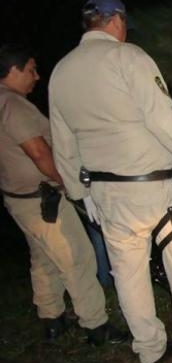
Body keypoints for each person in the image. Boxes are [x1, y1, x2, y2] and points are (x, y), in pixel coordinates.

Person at [48, 0, 172, 363]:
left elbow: (63, 141)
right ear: (116, 20)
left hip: (106, 195)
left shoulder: (60, 72)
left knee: (129, 274)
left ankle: (150, 349)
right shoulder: (129, 58)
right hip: (155, 191)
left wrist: (80, 193)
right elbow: (163, 118)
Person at [0, 43, 126, 344]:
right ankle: (96, 326)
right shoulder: (12, 105)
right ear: (13, 70)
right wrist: (72, 186)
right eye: (31, 69)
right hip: (42, 200)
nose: (37, 76)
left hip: (19, 199)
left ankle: (52, 319)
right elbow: (40, 153)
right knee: (78, 258)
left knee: (43, 258)